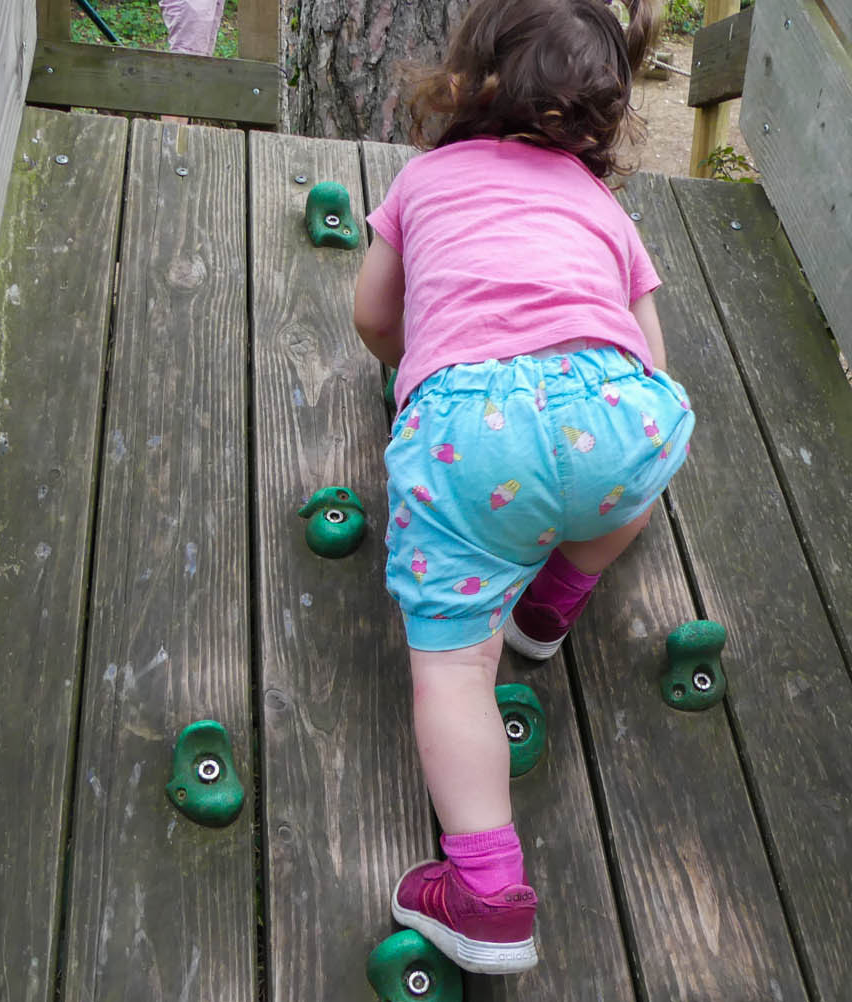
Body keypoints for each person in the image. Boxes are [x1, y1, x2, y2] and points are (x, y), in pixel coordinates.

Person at [352, 0, 691, 976]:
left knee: (458, 673)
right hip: (611, 414)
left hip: (471, 438)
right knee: (640, 455)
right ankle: (556, 598)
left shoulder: (426, 177)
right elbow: (649, 365)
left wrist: (424, 357)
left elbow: (375, 317)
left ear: (469, 81)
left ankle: (489, 893)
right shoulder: (605, 209)